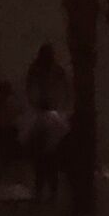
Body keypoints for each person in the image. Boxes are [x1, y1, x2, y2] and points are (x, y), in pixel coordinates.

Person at [22, 43, 69, 203]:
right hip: (44, 114)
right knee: (44, 163)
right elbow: (30, 87)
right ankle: (43, 191)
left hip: (49, 114)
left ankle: (47, 192)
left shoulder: (53, 70)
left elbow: (64, 85)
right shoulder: (38, 70)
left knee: (47, 163)